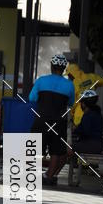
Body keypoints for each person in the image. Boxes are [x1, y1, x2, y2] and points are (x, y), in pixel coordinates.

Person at [28, 54, 75, 186]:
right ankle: (48, 177)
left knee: (35, 149)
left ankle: (31, 176)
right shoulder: (69, 85)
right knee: (56, 151)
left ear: (51, 67)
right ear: (64, 69)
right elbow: (71, 103)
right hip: (59, 122)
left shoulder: (41, 80)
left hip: (41, 119)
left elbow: (32, 98)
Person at [52, 88, 103, 179]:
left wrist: (76, 130)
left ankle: (52, 174)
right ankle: (54, 174)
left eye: (81, 103)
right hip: (95, 144)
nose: (80, 104)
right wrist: (77, 128)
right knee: (65, 150)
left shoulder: (88, 115)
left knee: (63, 150)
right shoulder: (96, 113)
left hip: (91, 145)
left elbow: (85, 132)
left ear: (84, 104)